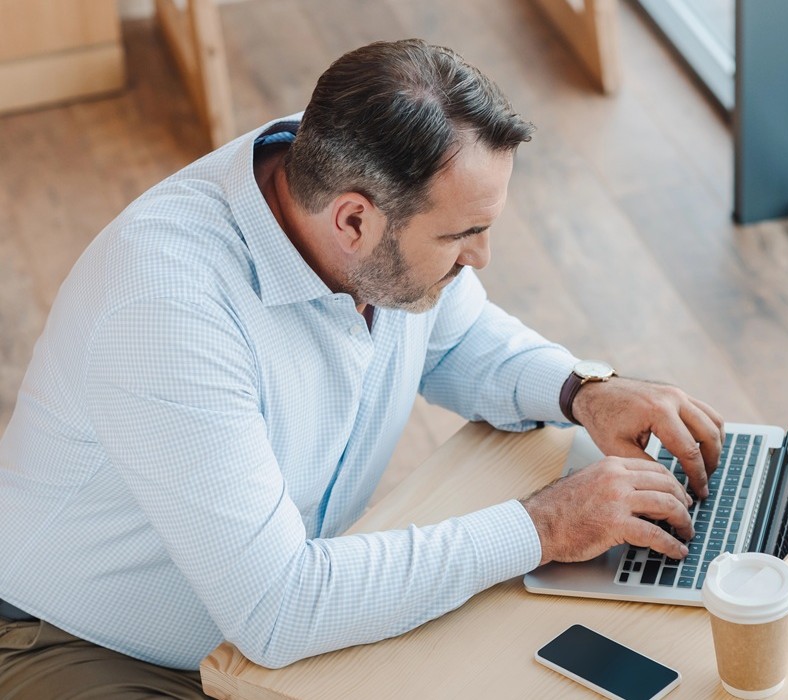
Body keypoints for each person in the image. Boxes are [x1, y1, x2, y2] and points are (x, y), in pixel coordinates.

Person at [0, 39, 724, 698]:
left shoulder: (342, 171)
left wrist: (583, 391)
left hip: (274, 619)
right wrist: (543, 527)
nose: (481, 258)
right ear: (352, 221)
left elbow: (455, 334)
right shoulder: (168, 312)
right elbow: (278, 608)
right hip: (84, 644)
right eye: (464, 234)